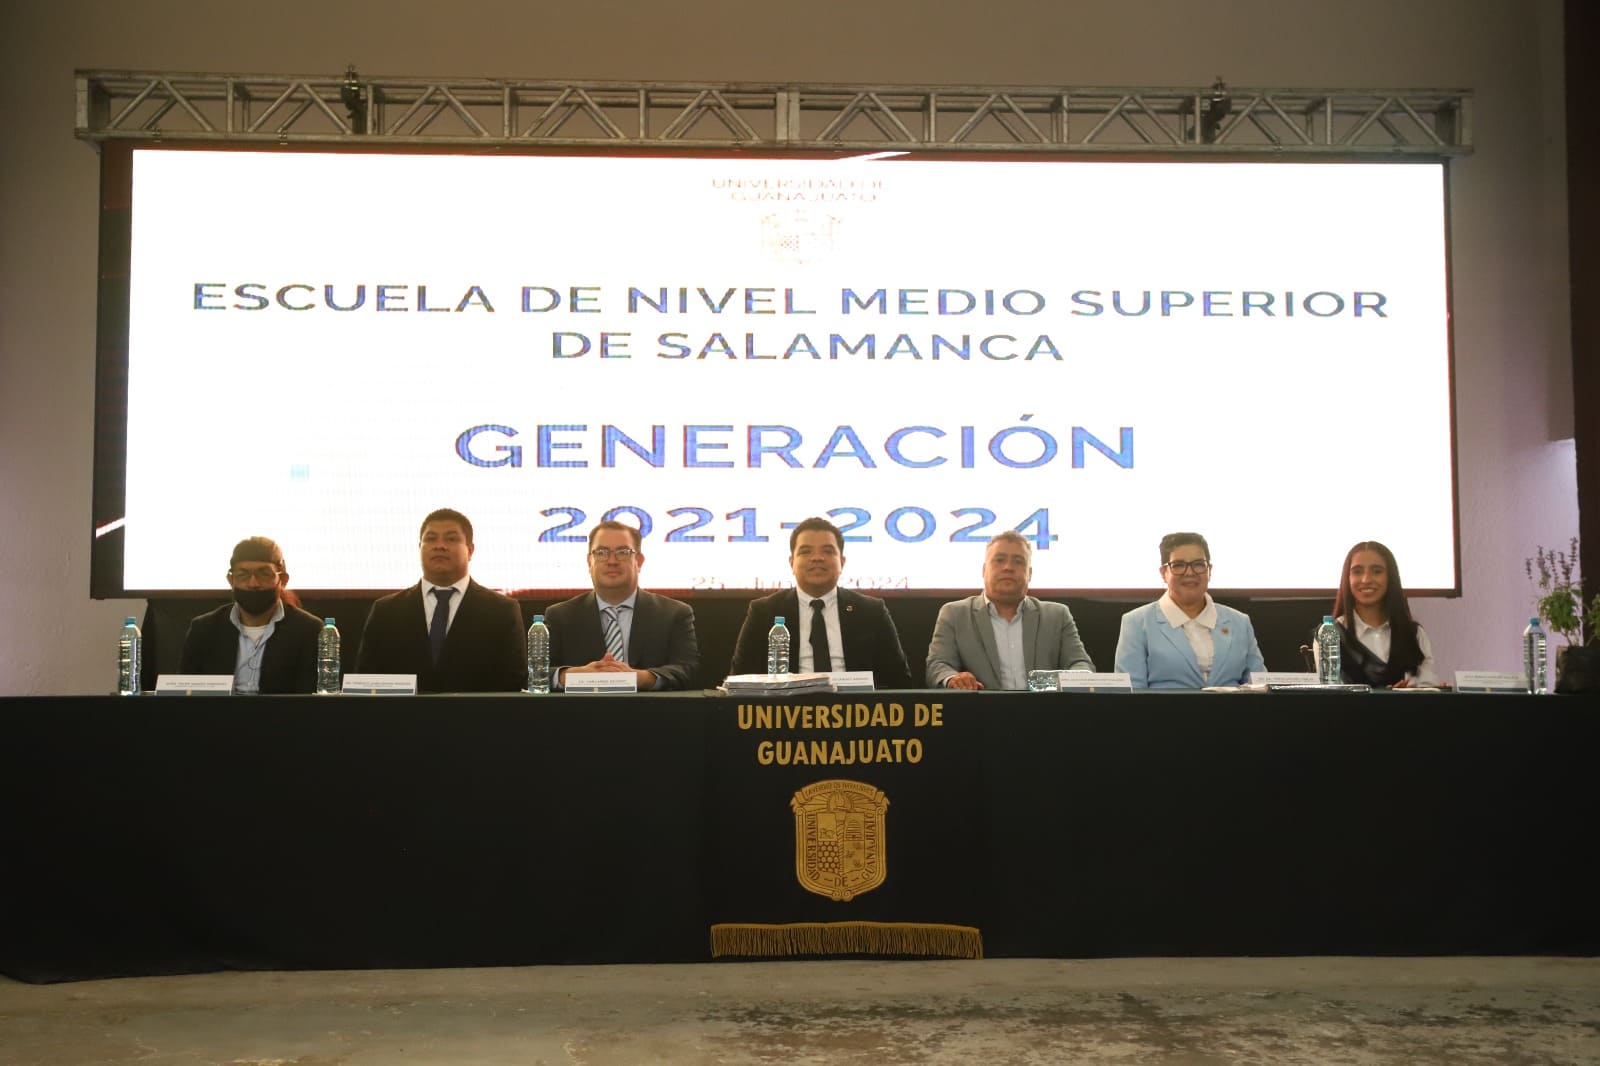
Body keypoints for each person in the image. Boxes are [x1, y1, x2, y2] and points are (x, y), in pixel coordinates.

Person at [728, 516, 913, 688]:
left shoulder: (871, 611)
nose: (817, 558)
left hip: (856, 708)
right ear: (792, 562)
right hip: (785, 709)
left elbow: (899, 680)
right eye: (806, 551)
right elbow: (740, 680)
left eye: (828, 551)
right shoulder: (765, 611)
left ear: (842, 561)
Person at [355, 508, 526, 692]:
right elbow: (365, 684)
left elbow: (513, 686)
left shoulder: (501, 611)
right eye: (431, 539)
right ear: (419, 547)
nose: (440, 546)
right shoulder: (386, 611)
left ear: (470, 550)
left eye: (451, 539)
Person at [925, 531, 1093, 689]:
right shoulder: (955, 614)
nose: (1008, 567)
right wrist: (953, 679)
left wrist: (1054, 682)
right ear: (984, 570)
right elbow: (938, 665)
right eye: (999, 560)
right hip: (981, 709)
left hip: (1045, 708)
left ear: (1029, 573)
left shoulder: (1057, 615)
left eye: (1018, 561)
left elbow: (1081, 664)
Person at [545, 520, 700, 690]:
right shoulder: (561, 616)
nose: (612, 561)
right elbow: (536, 673)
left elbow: (689, 670)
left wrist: (640, 678)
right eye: (601, 552)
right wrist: (573, 676)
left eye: (623, 552)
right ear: (590, 562)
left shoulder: (673, 614)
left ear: (639, 561)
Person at [1114, 531, 1264, 689]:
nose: (1190, 572)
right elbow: (1130, 693)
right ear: (1164, 573)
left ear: (1209, 570)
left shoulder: (1240, 622)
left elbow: (1260, 686)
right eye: (1178, 565)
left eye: (1198, 564)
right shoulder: (1136, 623)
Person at [178, 536, 322, 694]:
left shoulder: (309, 630)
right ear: (231, 579)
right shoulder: (204, 628)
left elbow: (310, 697)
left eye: (264, 574)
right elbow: (185, 694)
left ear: (283, 580)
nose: (253, 583)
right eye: (243, 574)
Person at [1322, 540, 1437, 687]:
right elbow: (1331, 693)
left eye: (1377, 571)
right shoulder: (1330, 634)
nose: (1366, 580)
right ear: (1347, 578)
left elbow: (1428, 688)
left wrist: (1411, 692)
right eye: (1357, 572)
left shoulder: (1414, 634)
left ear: (1390, 577)